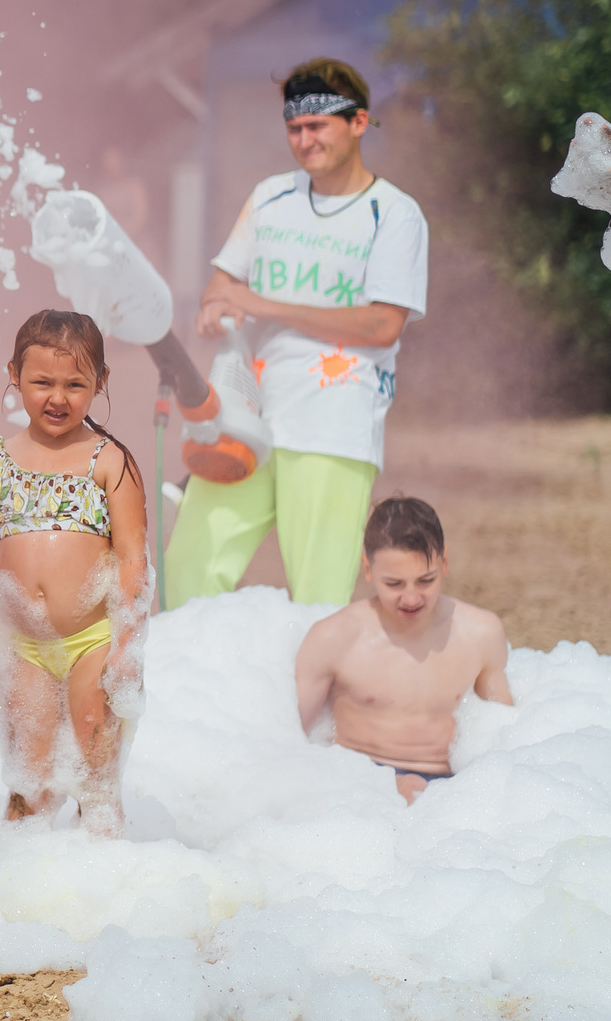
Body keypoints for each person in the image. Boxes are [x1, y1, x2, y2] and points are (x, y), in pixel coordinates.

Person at [166, 59, 428, 609]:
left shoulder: (395, 215)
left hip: (334, 424)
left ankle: (314, 697)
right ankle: (186, 694)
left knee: (318, 601)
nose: (304, 140)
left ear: (358, 123)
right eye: (294, 128)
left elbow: (383, 325)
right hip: (246, 417)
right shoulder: (270, 198)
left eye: (318, 126)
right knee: (188, 570)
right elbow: (221, 287)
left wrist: (262, 305)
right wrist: (214, 310)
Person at [0, 311, 151, 836]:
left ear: (100, 383)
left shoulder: (108, 461)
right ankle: (22, 895)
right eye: (41, 382)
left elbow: (132, 559)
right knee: (28, 783)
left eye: (75, 384)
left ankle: (105, 880)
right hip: (21, 646)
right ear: (14, 374)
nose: (57, 398)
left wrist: (126, 650)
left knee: (95, 779)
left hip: (92, 640)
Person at [294, 496, 509, 802]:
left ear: (444, 562)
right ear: (367, 569)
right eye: (394, 584)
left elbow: (507, 739)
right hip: (355, 785)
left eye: (426, 580)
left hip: (450, 789)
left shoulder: (481, 633)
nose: (411, 599)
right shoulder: (333, 638)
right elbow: (289, 739)